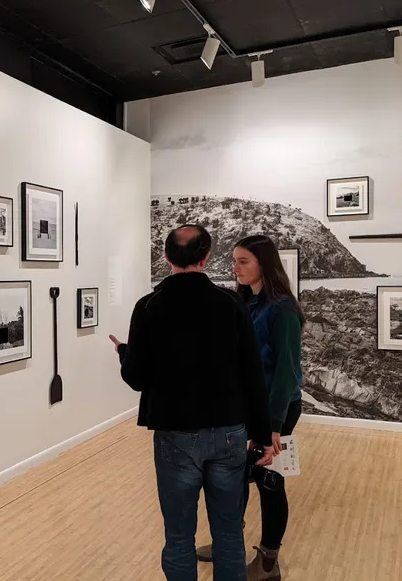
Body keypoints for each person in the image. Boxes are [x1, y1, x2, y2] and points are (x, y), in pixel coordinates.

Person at [109, 224, 274, 581]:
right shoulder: (231, 303)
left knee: (179, 535)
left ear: (167, 257)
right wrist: (262, 432)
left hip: (176, 434)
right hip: (230, 432)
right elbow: (251, 373)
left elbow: (137, 377)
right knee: (229, 534)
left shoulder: (149, 306)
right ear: (206, 257)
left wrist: (125, 353)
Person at [196, 235, 305, 581]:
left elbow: (287, 371)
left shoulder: (282, 309)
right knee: (234, 477)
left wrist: (272, 426)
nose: (236, 267)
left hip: (276, 409)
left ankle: (269, 562)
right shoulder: (242, 302)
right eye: (234, 261)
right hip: (241, 407)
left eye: (244, 261)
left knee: (270, 481)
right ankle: (229, 542)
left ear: (264, 264)